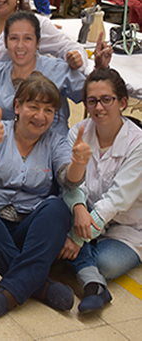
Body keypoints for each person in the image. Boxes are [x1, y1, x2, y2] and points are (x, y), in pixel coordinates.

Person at [0, 72, 91, 318]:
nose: (40, 116)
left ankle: (9, 294)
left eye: (48, 110)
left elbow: (68, 179)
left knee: (57, 209)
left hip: (24, 232)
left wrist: (79, 163)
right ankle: (41, 286)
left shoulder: (56, 142)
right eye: (33, 107)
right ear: (17, 106)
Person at [58, 68, 142, 314]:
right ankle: (94, 285)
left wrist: (76, 238)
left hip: (125, 228)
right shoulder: (78, 132)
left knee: (105, 263)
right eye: (92, 101)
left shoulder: (138, 143)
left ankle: (81, 261)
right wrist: (79, 209)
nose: (99, 107)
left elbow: (116, 200)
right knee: (52, 217)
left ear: (122, 102)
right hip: (82, 216)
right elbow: (71, 183)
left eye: (107, 99)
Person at [0, 11, 92, 136]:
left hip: (54, 145)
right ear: (5, 42)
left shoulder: (58, 70)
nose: (20, 45)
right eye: (14, 38)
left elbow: (94, 96)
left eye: (27, 38)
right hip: (11, 145)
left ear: (38, 43)